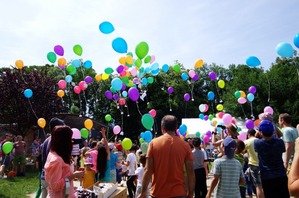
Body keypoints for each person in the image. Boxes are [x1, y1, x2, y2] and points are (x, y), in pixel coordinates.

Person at [139, 115, 195, 198]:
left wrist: (143, 192)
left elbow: (148, 170)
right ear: (176, 128)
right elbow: (190, 172)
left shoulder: (153, 143)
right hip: (178, 193)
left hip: (158, 193)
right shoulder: (185, 145)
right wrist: (191, 193)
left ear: (162, 128)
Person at [45, 125, 84, 198]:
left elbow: (63, 178)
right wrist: (73, 176)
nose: (72, 142)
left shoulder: (57, 155)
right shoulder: (56, 160)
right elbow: (55, 186)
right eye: (70, 139)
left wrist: (71, 187)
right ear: (64, 141)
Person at [254, 120, 289, 198]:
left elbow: (256, 143)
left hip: (267, 176)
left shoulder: (257, 143)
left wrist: (258, 134)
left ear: (261, 132)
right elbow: (283, 149)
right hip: (281, 174)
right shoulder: (280, 142)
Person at [40, 117, 65, 198]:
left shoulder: (46, 140)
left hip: (44, 175)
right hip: (52, 178)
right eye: (61, 127)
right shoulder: (55, 142)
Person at [244, 129, 265, 198]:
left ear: (248, 134)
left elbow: (242, 151)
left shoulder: (246, 142)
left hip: (253, 164)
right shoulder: (260, 141)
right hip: (262, 165)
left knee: (258, 186)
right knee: (263, 186)